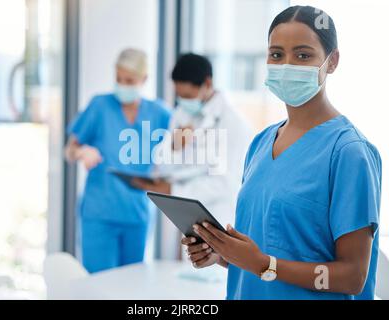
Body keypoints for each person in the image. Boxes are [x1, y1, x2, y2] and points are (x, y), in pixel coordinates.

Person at [181, 6, 382, 300]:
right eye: (276, 55)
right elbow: (267, 253)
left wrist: (264, 265)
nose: (287, 65)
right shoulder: (261, 143)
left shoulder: (349, 153)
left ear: (332, 61)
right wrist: (222, 254)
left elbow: (353, 277)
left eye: (303, 55)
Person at [65, 48, 171, 273]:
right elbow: (69, 150)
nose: (122, 85)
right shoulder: (99, 106)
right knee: (99, 287)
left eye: (129, 80)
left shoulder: (159, 113)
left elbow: (183, 142)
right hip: (99, 213)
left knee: (130, 286)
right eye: (118, 79)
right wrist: (82, 151)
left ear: (144, 79)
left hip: (137, 214)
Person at [133, 53, 252, 229]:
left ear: (208, 84)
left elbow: (225, 183)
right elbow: (163, 165)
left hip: (219, 216)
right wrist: (174, 147)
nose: (183, 101)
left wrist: (173, 191)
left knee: (214, 256)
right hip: (189, 216)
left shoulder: (232, 124)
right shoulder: (181, 114)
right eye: (179, 96)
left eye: (188, 95)